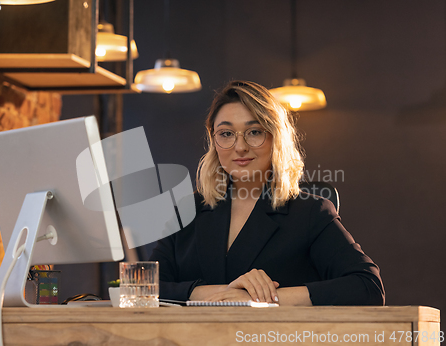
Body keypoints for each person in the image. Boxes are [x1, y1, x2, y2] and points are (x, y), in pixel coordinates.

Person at [149, 80, 385, 306]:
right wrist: (209, 293)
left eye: (254, 132)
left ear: (276, 139)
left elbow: (368, 287)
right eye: (226, 134)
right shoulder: (188, 209)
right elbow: (143, 287)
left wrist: (268, 299)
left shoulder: (311, 212)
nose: (240, 147)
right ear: (214, 142)